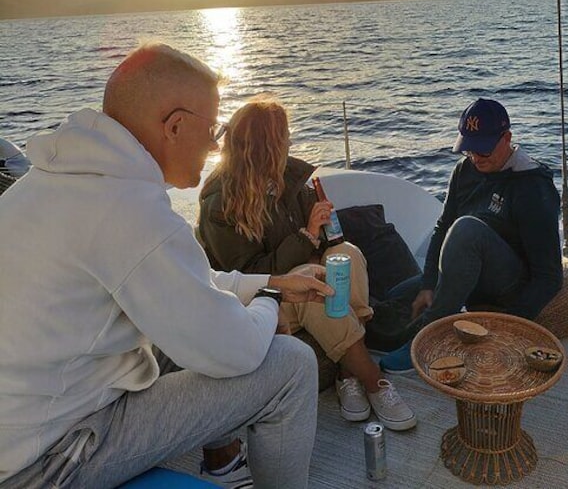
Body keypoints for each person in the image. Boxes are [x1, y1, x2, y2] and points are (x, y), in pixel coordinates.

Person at [0, 42, 335, 489]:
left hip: (24, 429)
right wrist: (271, 302)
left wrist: (270, 281)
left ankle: (221, 462)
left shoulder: (54, 182)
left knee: (183, 334)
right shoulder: (125, 208)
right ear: (175, 126)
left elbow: (184, 283)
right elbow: (235, 350)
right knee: (290, 365)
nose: (217, 145)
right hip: (48, 463)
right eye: (213, 129)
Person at [197, 98, 416, 431]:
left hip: (295, 278)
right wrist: (306, 235)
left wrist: (325, 229)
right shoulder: (222, 205)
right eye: (283, 136)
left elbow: (327, 245)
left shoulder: (291, 180)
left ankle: (346, 373)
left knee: (349, 255)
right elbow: (253, 274)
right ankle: (372, 379)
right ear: (265, 146)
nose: (290, 142)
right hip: (257, 301)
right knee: (316, 292)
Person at [379, 97, 563, 373]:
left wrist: (507, 326)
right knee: (392, 301)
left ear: (507, 138)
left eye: (484, 151)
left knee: (467, 229)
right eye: (469, 150)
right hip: (468, 270)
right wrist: (429, 283)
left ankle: (430, 334)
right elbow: (442, 227)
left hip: (509, 285)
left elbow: (550, 277)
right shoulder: (465, 170)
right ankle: (429, 316)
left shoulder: (532, 188)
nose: (476, 158)